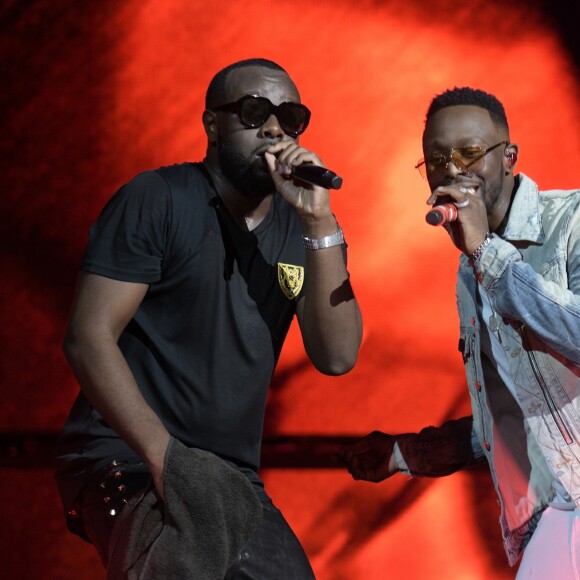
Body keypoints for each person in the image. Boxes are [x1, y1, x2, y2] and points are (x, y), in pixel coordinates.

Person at [56, 57, 363, 579]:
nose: (272, 127)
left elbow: (337, 356)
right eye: (253, 111)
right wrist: (165, 459)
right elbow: (88, 338)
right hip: (127, 457)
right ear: (211, 125)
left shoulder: (301, 229)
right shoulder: (158, 199)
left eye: (289, 117)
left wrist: (319, 220)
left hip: (227, 477)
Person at [340, 87, 580, 577]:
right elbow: (512, 412)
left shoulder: (571, 219)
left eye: (470, 153)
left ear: (509, 157)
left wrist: (487, 252)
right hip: (562, 506)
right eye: (436, 159)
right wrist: (408, 453)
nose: (453, 170)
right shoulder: (471, 273)